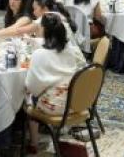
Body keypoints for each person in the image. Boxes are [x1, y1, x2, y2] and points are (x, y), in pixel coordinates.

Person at [25, 13, 86, 153]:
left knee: (27, 97)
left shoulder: (39, 54)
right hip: (75, 101)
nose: (37, 30)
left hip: (55, 107)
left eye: (39, 27)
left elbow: (32, 87)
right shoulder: (70, 50)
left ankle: (33, 143)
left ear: (45, 30)